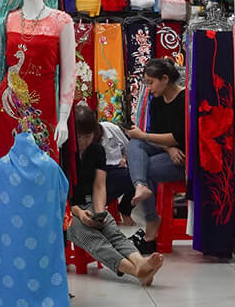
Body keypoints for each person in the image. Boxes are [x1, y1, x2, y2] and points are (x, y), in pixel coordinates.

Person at [67, 103, 163, 285]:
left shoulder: (96, 150)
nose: (83, 141)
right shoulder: (63, 151)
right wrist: (79, 212)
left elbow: (99, 185)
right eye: (78, 136)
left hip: (89, 202)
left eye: (87, 136)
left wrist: (99, 211)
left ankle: (140, 262)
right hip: (65, 209)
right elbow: (59, 193)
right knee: (92, 238)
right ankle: (136, 271)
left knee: (112, 231)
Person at [125, 58, 186, 255]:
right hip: (168, 151)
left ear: (165, 79)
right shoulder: (157, 100)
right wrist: (168, 148)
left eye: (151, 82)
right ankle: (140, 186)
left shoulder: (184, 99)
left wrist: (144, 136)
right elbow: (158, 134)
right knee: (135, 144)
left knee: (145, 166)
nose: (149, 88)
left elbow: (179, 137)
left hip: (184, 158)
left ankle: (151, 224)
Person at [100, 118, 136, 226]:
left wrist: (124, 158)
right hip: (98, 170)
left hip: (117, 167)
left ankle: (125, 209)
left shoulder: (111, 128)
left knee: (138, 180)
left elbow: (128, 148)